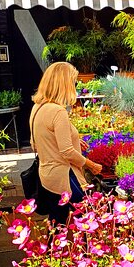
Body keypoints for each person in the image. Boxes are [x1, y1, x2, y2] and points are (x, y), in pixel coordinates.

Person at [29, 62, 102, 223]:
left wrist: (74, 140)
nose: (74, 86)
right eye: (73, 82)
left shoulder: (38, 107)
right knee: (88, 218)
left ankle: (50, 248)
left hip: (47, 175)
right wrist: (90, 164)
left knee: (58, 221)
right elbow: (67, 151)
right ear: (64, 84)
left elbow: (35, 142)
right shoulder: (58, 111)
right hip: (64, 177)